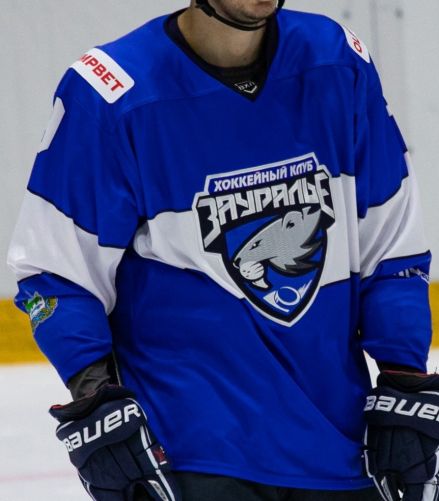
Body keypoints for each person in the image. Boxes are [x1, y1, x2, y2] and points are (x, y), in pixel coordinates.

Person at [7, 0, 436, 500]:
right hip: (190, 453)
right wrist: (94, 400)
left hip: (340, 444)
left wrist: (403, 377)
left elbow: (391, 244)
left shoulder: (337, 61)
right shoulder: (112, 92)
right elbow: (57, 272)